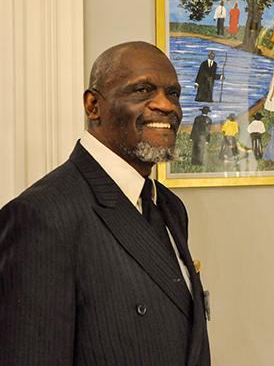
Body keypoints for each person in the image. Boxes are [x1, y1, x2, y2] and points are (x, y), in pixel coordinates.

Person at [0, 41, 211, 365]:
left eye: (173, 94)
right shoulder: (41, 216)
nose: (166, 106)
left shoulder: (169, 207)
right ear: (93, 105)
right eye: (142, 90)